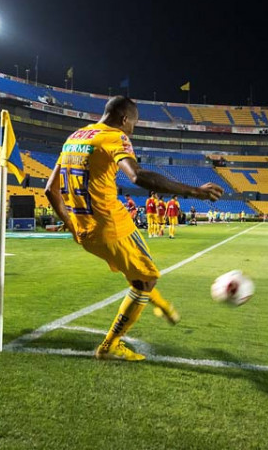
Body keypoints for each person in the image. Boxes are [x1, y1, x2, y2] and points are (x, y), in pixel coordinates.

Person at [44, 96, 223, 361]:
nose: (133, 130)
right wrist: (194, 191)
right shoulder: (115, 137)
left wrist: (71, 226)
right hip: (111, 226)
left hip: (84, 231)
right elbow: (138, 176)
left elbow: (50, 189)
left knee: (137, 274)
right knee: (146, 280)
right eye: (134, 124)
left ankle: (160, 305)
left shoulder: (75, 137)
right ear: (124, 119)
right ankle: (110, 346)